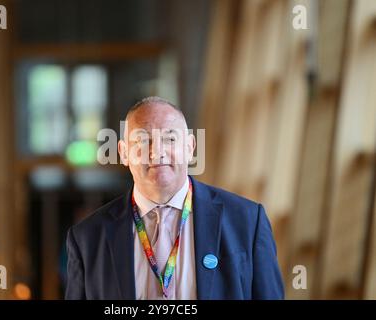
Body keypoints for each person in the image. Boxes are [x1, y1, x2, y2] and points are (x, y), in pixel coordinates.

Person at [65, 96, 284, 300]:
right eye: (142, 140)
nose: (157, 151)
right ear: (123, 153)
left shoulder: (246, 222)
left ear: (189, 148)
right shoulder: (87, 238)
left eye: (170, 138)